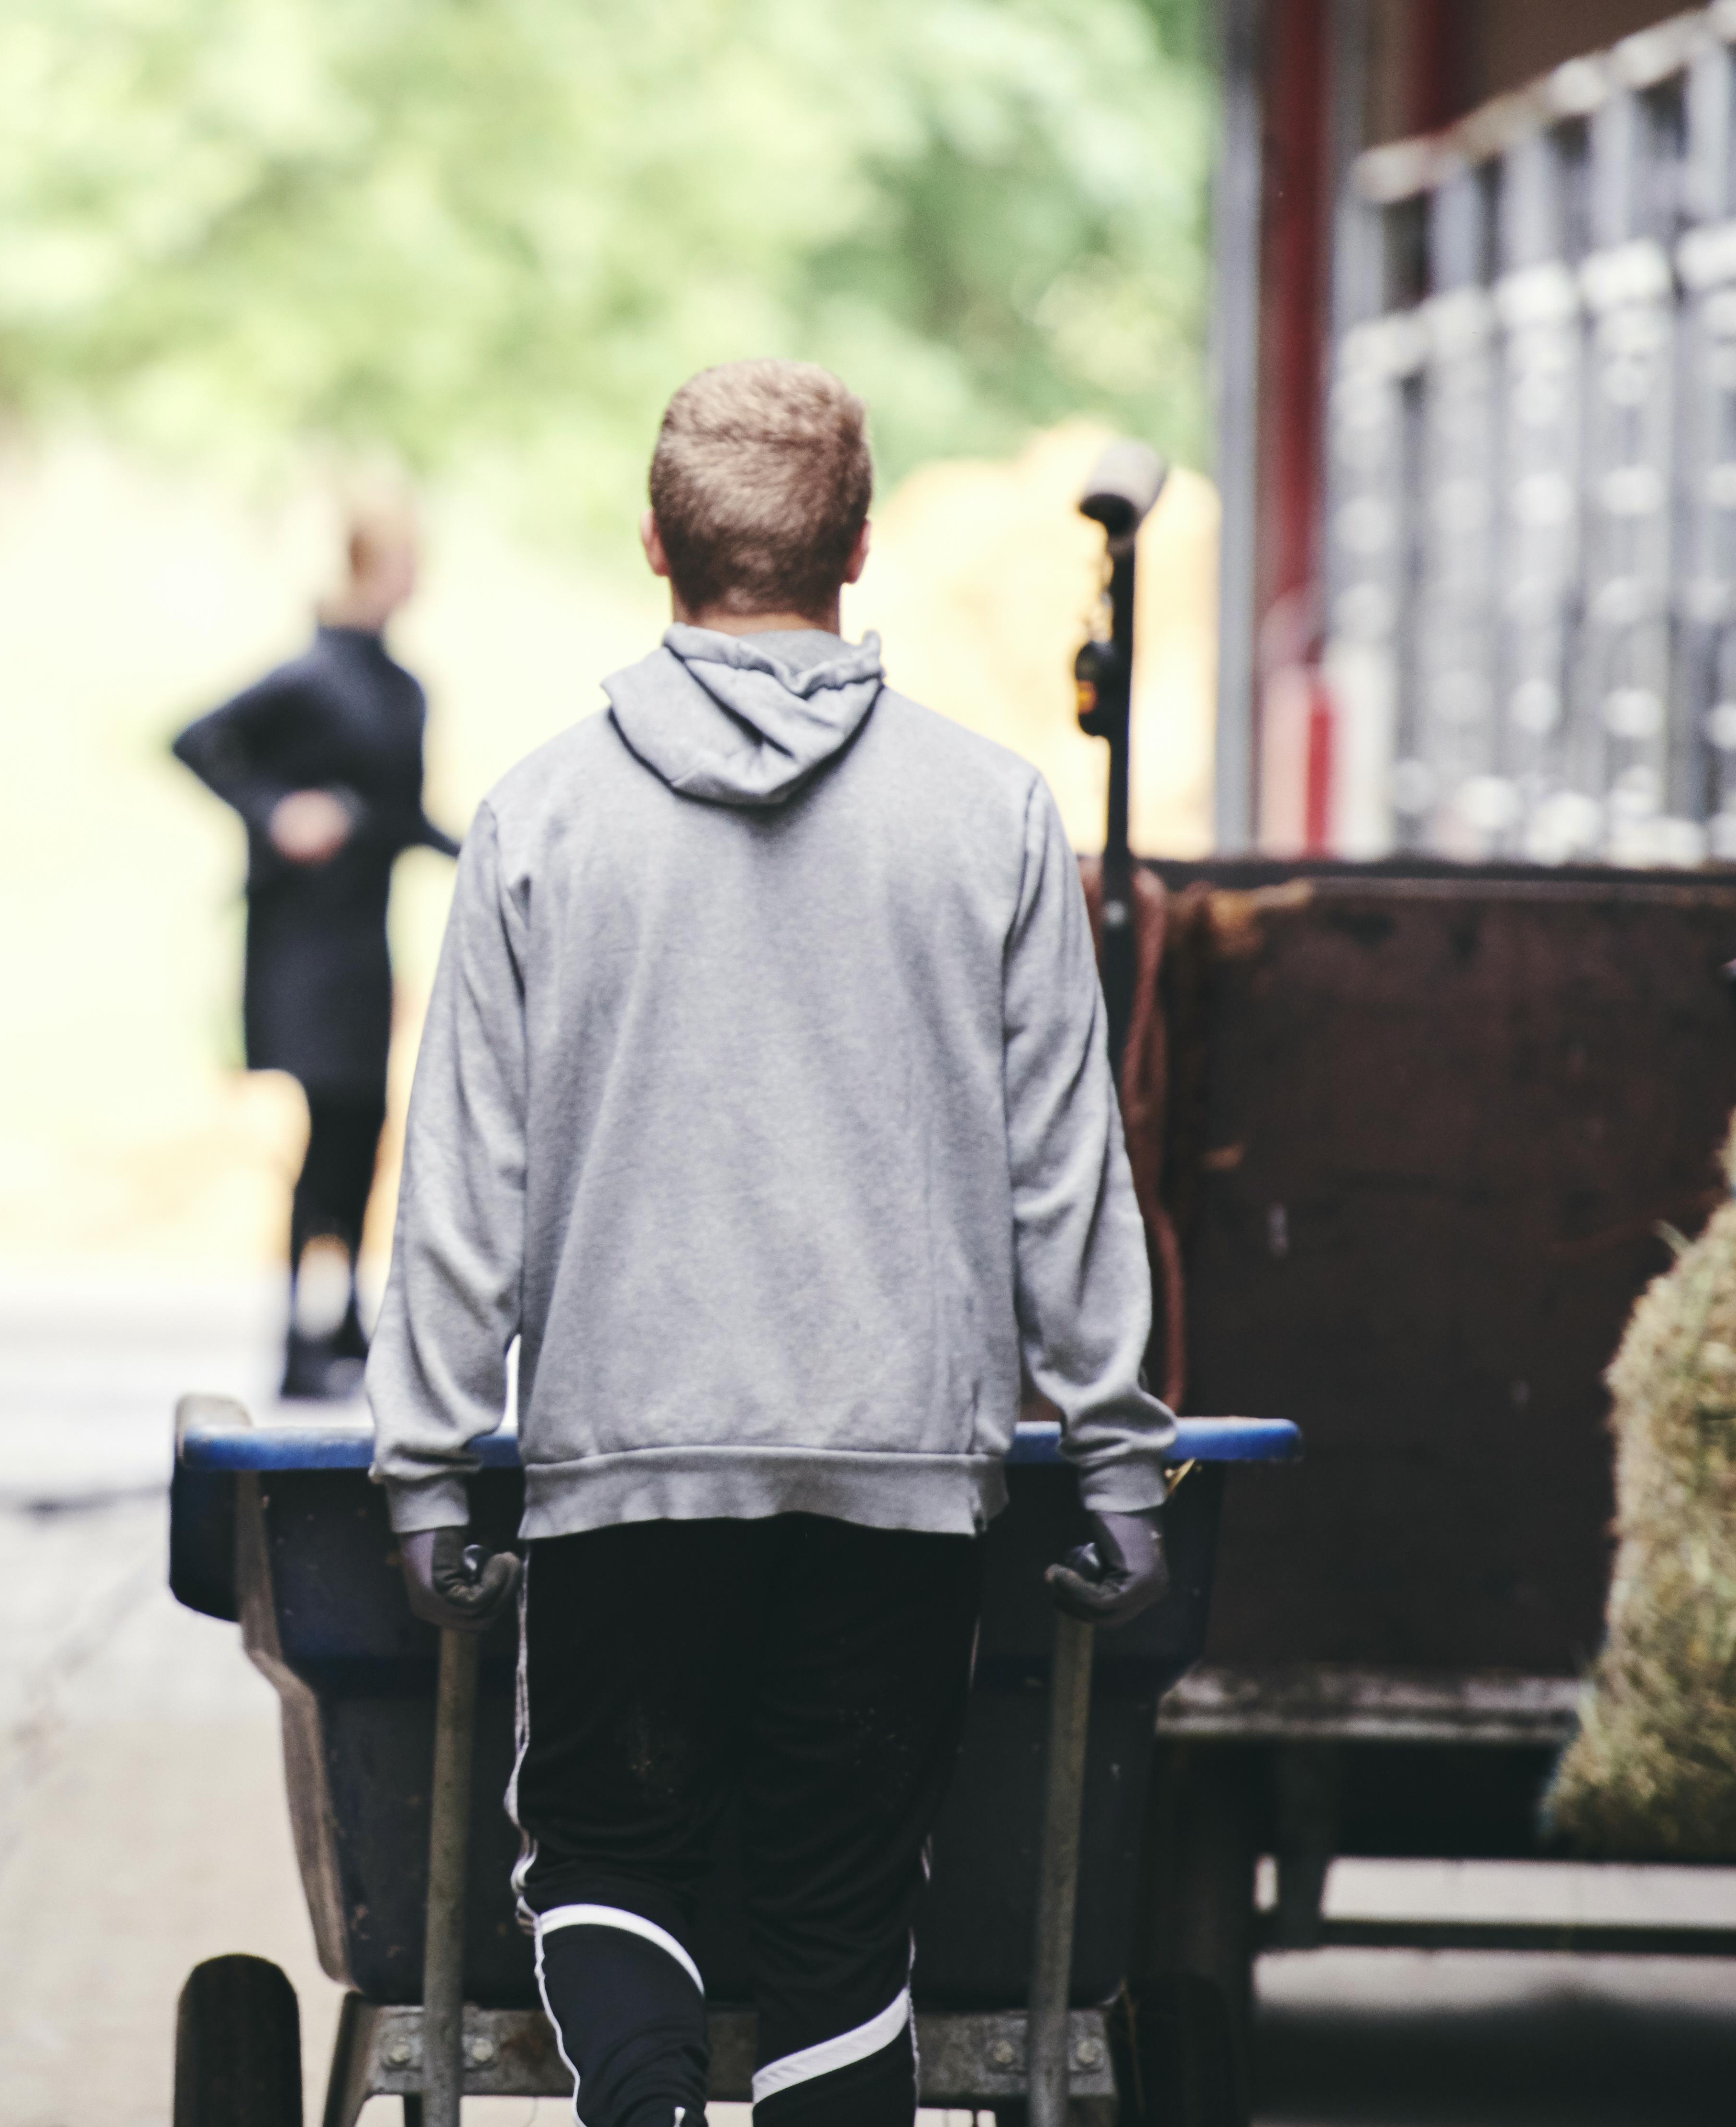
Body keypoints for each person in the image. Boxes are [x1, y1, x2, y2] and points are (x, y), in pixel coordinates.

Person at [366, 359, 1176, 2127]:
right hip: (898, 1470)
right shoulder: (989, 815)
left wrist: (426, 1468)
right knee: (839, 1920)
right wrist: (1119, 1459)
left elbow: (464, 1184)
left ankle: (645, 2102)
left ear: (655, 544)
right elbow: (1066, 1169)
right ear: (857, 547)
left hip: (631, 1458)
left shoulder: (541, 818)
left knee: (608, 1855)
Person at [176, 496, 458, 1400]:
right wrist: (275, 814)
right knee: (321, 1122)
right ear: (368, 567)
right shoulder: (308, 678)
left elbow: (404, 816)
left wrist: (489, 851)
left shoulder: (405, 689)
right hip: (301, 942)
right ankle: (298, 1328)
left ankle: (346, 1318)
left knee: (366, 1125)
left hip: (365, 939)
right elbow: (197, 740)